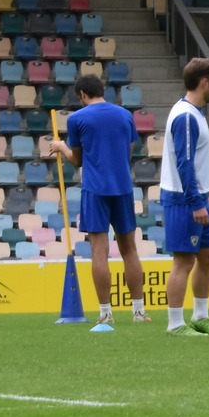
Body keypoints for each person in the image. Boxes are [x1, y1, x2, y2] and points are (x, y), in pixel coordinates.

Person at [58, 73, 149, 331]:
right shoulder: (125, 115)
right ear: (102, 90)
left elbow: (76, 160)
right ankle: (139, 311)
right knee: (129, 250)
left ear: (83, 95)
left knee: (100, 252)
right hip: (122, 187)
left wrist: (60, 147)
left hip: (95, 189)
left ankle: (105, 314)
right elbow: (128, 151)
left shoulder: (77, 118)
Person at [163, 57, 209, 336]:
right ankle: (175, 324)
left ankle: (200, 316)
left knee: (208, 255)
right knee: (184, 260)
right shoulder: (186, 116)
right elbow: (184, 163)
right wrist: (197, 203)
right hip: (184, 199)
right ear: (204, 83)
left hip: (198, 196)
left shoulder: (195, 113)